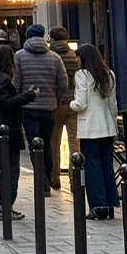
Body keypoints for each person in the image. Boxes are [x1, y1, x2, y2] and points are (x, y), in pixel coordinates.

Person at [0, 43, 37, 220]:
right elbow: (6, 103)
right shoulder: (3, 79)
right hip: (7, 130)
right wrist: (29, 95)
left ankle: (1, 204)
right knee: (11, 170)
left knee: (2, 168)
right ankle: (4, 205)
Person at [13, 24, 67, 197]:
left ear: (27, 37)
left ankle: (42, 182)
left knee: (34, 145)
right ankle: (47, 181)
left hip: (28, 108)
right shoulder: (55, 57)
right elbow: (63, 83)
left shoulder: (19, 56)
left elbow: (16, 82)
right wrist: (55, 98)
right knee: (47, 145)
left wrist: (20, 98)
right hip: (48, 107)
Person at [70, 44, 120, 220]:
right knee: (106, 165)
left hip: (89, 128)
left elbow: (81, 103)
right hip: (107, 126)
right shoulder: (109, 75)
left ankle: (97, 205)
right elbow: (113, 104)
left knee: (92, 166)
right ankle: (110, 202)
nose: (76, 60)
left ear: (84, 58)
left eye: (78, 57)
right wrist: (113, 124)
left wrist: (71, 104)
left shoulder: (82, 75)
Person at [48, 27, 80, 190]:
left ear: (52, 39)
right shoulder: (74, 56)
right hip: (73, 102)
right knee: (74, 141)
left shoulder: (50, 57)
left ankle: (55, 177)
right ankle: (75, 179)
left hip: (56, 104)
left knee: (54, 142)